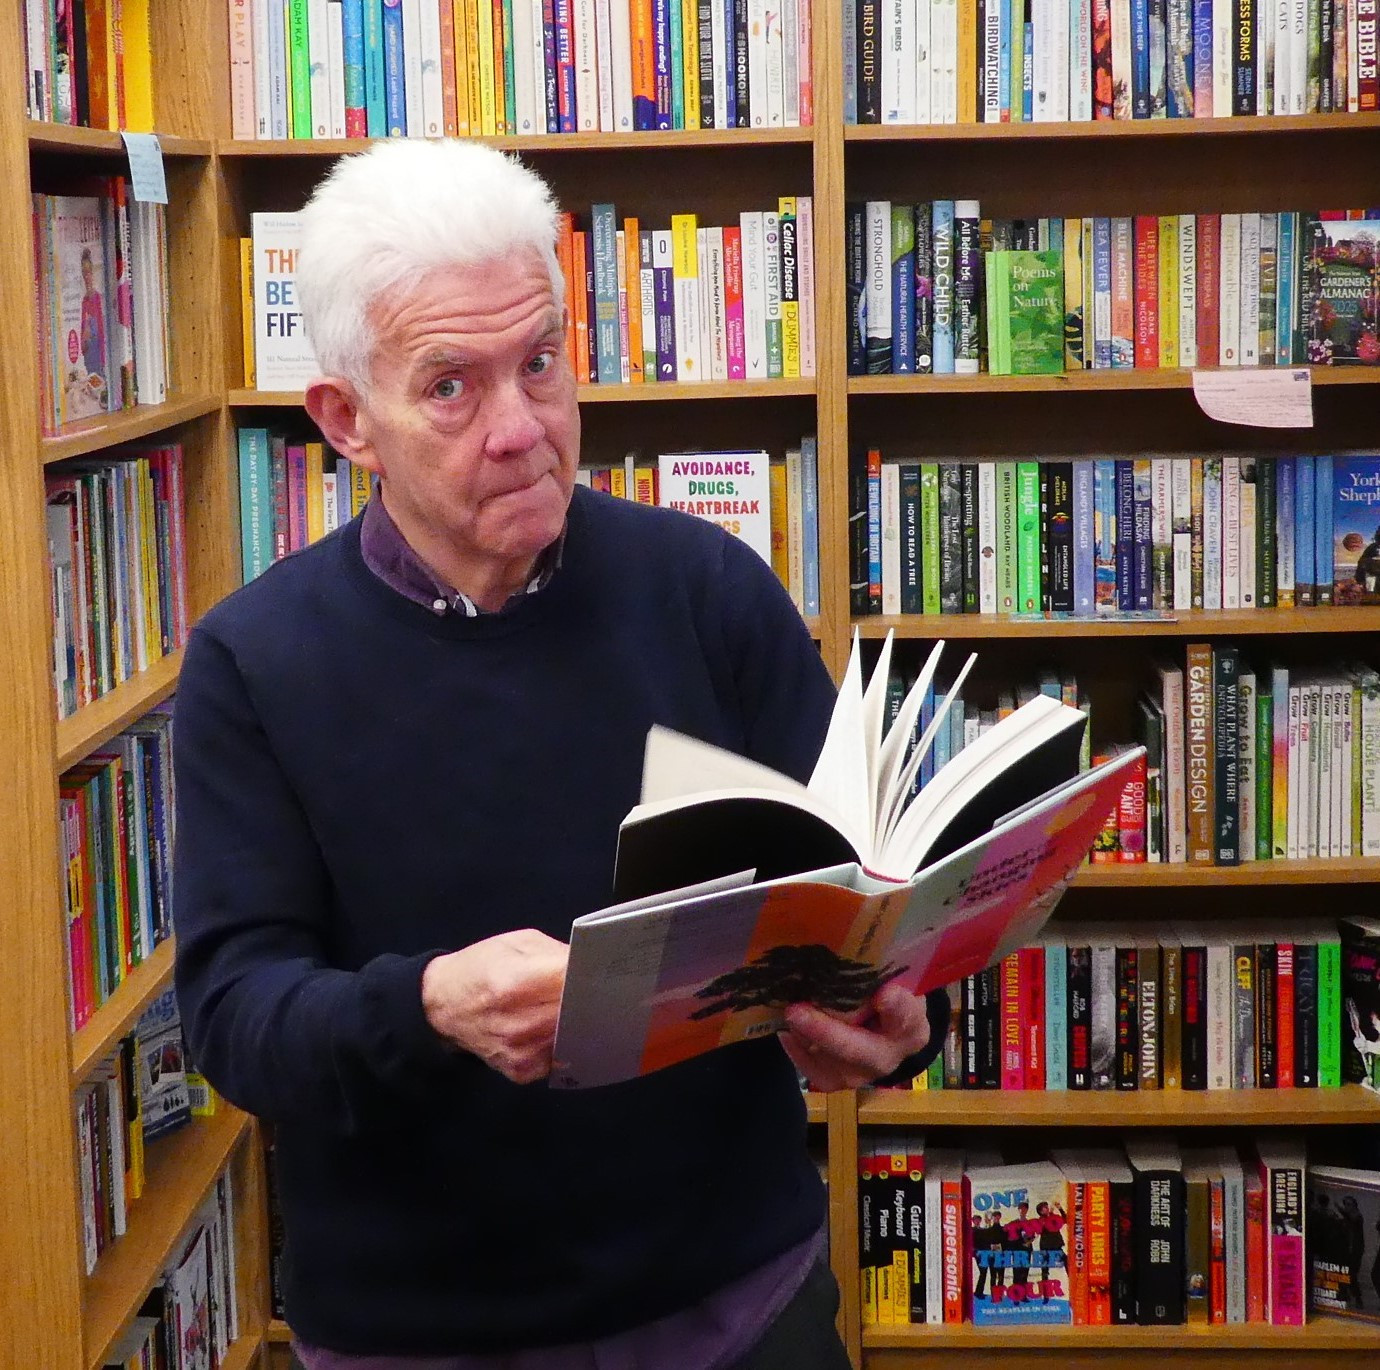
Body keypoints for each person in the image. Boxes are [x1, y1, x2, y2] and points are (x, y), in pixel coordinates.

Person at [172, 138, 950, 1369]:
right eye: (450, 385)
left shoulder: (706, 587)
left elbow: (870, 897)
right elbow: (232, 1016)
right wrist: (427, 1005)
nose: (521, 427)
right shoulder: (252, 663)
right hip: (421, 1336)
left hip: (741, 1302)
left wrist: (901, 1018)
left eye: (540, 361)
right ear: (345, 419)